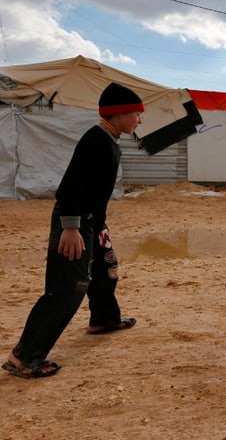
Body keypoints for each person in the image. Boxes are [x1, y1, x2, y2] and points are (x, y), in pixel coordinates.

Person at [2, 83, 143, 378]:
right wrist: (70, 228)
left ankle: (103, 320)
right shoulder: (96, 140)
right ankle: (24, 357)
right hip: (74, 223)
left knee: (106, 270)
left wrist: (99, 224)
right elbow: (71, 186)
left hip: (92, 221)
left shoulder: (109, 139)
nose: (139, 120)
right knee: (68, 288)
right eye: (136, 114)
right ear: (118, 114)